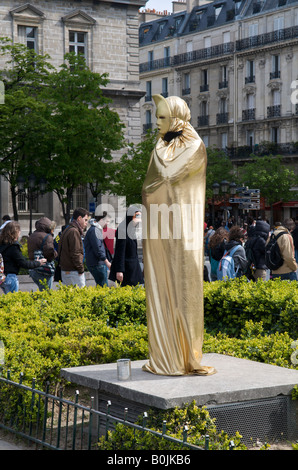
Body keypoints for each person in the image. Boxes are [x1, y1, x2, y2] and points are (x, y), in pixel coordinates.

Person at [141, 94, 215, 376]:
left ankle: (184, 356)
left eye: (161, 118)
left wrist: (159, 155)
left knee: (183, 289)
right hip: (160, 228)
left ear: (175, 118)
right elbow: (150, 187)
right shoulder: (164, 145)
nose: (156, 123)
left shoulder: (193, 146)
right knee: (160, 286)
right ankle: (165, 355)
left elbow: (167, 176)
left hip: (182, 234)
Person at [0, 221, 47, 294]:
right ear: (15, 232)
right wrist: (38, 263)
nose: (19, 233)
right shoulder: (13, 247)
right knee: (14, 302)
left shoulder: (2, 245)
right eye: (19, 231)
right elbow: (23, 263)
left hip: (3, 277)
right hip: (10, 277)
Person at [109, 205, 143, 287]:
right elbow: (120, 251)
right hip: (126, 270)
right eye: (137, 216)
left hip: (133, 268)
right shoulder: (122, 229)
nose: (139, 220)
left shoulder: (131, 229)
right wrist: (119, 270)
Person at [58, 207, 89, 288]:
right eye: (85, 220)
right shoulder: (74, 231)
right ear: (79, 218)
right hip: (73, 271)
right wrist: (81, 269)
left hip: (67, 270)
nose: (86, 223)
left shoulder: (68, 229)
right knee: (81, 296)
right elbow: (76, 253)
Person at [27, 217, 58, 291]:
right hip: (44, 269)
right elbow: (49, 253)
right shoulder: (47, 237)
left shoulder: (32, 235)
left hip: (33, 269)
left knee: (42, 291)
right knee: (46, 293)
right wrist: (55, 254)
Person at [84, 211, 111, 287]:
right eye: (107, 221)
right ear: (101, 220)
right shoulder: (94, 230)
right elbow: (98, 249)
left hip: (96, 263)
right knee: (103, 288)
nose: (108, 224)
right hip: (97, 263)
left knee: (101, 287)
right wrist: (107, 262)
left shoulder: (94, 229)